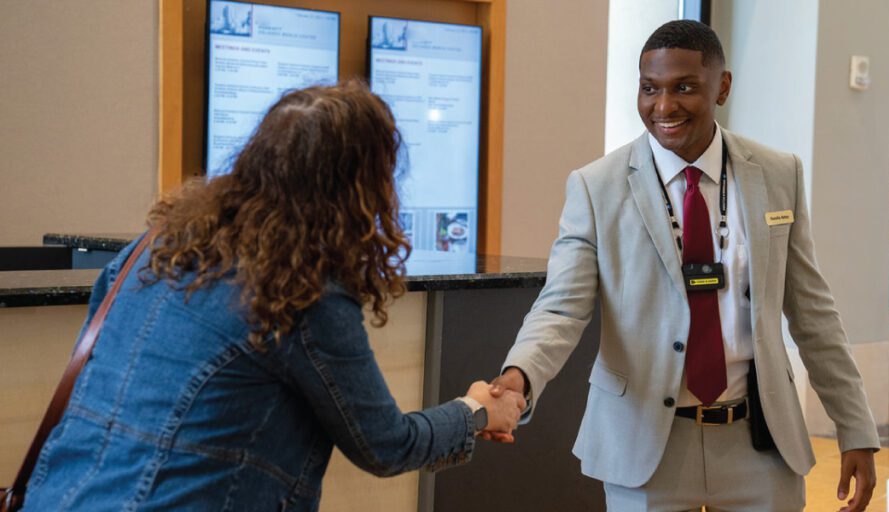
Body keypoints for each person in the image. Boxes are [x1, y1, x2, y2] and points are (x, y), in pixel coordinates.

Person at [22, 81, 525, 511]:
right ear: (361, 191)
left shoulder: (154, 247)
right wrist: (476, 408)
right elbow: (386, 445)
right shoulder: (302, 296)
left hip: (59, 495)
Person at [486, 20, 879, 512]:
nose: (664, 107)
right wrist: (518, 377)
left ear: (723, 87)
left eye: (684, 88)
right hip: (645, 442)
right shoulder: (596, 187)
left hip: (759, 443)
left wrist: (855, 427)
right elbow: (560, 309)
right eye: (649, 89)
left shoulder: (779, 174)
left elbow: (814, 314)